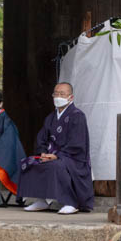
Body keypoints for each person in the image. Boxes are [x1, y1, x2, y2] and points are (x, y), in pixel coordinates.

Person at [18, 82, 95, 215]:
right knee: (31, 163)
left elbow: (77, 143)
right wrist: (43, 152)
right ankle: (41, 200)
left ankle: (71, 202)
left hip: (73, 158)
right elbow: (41, 138)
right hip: (52, 155)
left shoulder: (77, 115)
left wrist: (57, 155)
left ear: (71, 97)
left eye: (62, 94)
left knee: (56, 165)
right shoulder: (51, 117)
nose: (58, 97)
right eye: (56, 94)